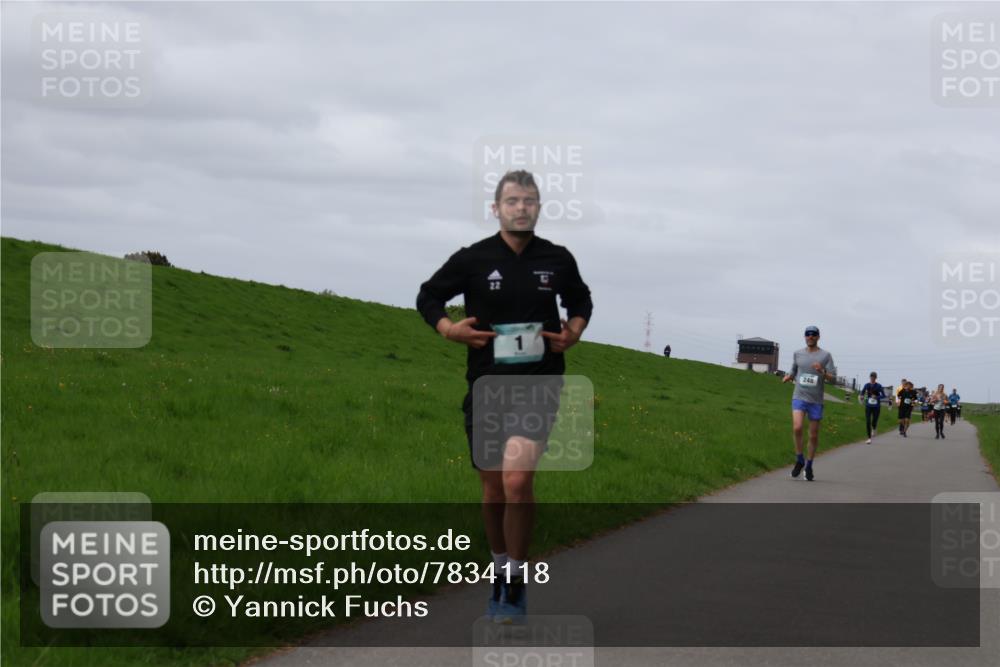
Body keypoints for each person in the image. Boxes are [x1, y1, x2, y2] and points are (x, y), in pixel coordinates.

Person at [416, 170, 593, 624]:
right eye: (512, 200)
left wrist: (572, 332)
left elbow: (581, 301)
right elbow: (428, 295)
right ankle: (499, 565)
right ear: (496, 209)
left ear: (538, 207)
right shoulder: (473, 259)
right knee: (493, 487)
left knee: (517, 480)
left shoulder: (557, 258)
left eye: (529, 200)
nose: (521, 207)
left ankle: (514, 582)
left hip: (540, 382)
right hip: (487, 384)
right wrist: (449, 329)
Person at [782, 326, 836, 481]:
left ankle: (809, 465)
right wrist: (788, 377)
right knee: (797, 427)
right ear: (804, 337)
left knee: (813, 435)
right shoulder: (798, 353)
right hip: (799, 396)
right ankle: (799, 458)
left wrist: (823, 371)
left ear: (818, 337)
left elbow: (833, 378)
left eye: (813, 335)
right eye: (808, 335)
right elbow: (793, 371)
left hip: (816, 400)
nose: (810, 337)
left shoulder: (825, 355)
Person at [859, 371, 886, 444]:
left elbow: (883, 395)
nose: (872, 378)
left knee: (874, 420)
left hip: (876, 406)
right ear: (870, 377)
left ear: (876, 378)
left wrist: (877, 397)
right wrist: (861, 396)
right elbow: (862, 392)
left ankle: (874, 428)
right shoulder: (867, 385)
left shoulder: (879, 386)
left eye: (874, 377)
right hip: (868, 406)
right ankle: (869, 438)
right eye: (871, 377)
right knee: (868, 421)